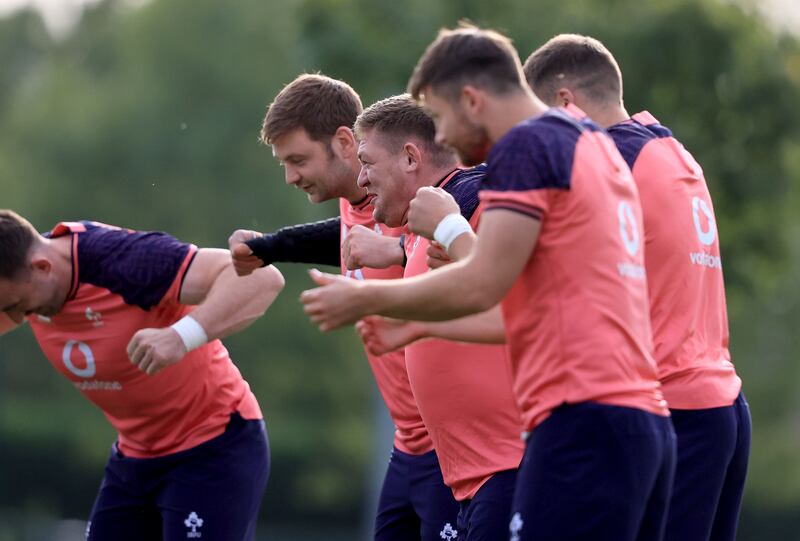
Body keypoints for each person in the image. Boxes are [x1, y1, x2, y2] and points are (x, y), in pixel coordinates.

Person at [300, 25, 676, 541]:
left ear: (472, 99)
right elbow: (524, 310)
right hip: (641, 422)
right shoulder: (592, 143)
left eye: (444, 118)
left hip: (581, 424)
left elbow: (484, 282)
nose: (446, 139)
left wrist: (369, 295)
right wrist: (411, 323)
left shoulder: (526, 147)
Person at [522, 34, 750, 541]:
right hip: (719, 405)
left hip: (675, 407)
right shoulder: (669, 149)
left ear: (566, 102)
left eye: (540, 121)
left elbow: (513, 259)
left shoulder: (610, 159)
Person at [227, 74, 459, 541]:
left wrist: (396, 253)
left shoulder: (409, 199)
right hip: (408, 446)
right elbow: (345, 239)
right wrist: (270, 246)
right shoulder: (360, 207)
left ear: (344, 142)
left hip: (453, 447)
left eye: (298, 159)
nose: (291, 176)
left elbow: (471, 262)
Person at [0, 211, 284, 541]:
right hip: (135, 457)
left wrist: (182, 335)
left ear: (42, 267)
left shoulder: (123, 259)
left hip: (214, 445)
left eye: (17, 305)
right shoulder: (22, 283)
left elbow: (262, 278)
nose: (15, 318)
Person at [349, 94, 523, 541]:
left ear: (410, 157)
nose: (361, 177)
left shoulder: (471, 195)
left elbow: (526, 300)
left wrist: (453, 226)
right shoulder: (427, 226)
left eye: (367, 161)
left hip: (508, 467)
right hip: (468, 478)